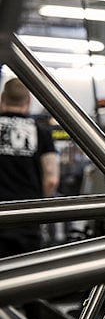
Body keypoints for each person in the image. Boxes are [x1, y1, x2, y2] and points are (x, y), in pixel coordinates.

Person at [0, 77, 59, 258]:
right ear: (28, 101)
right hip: (26, 220)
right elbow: (52, 179)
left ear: (2, 98)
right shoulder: (41, 132)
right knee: (23, 280)